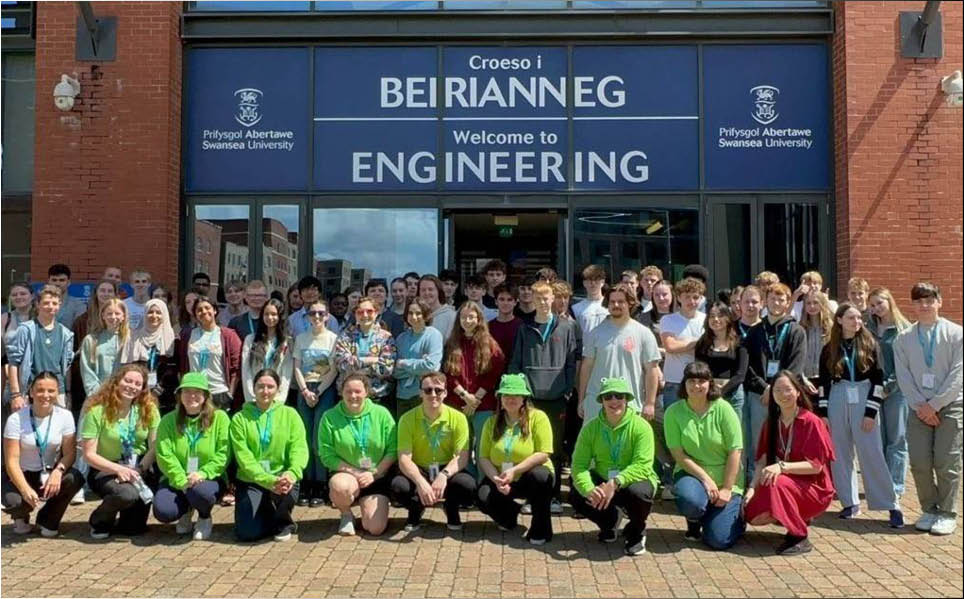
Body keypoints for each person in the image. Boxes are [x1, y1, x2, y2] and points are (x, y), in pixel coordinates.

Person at [818, 303, 902, 527]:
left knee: (871, 452)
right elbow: (823, 383)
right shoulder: (829, 348)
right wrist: (824, 413)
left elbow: (878, 379)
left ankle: (890, 504)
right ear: (839, 320)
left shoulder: (870, 344)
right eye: (851, 318)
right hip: (838, 396)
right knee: (841, 454)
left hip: (864, 395)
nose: (856, 323)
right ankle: (849, 502)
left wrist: (870, 412)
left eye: (858, 319)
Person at [894, 282, 963, 536]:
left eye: (929, 300)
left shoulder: (957, 334)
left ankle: (947, 513)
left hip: (951, 406)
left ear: (939, 302)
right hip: (918, 408)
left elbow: (958, 376)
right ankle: (929, 509)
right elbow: (904, 377)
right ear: (912, 305)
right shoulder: (904, 339)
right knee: (920, 462)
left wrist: (935, 405)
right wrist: (922, 407)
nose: (924, 305)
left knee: (947, 462)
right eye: (918, 301)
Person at [744, 370, 835, 555]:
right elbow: (761, 461)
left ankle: (799, 535)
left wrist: (782, 467)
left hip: (814, 488)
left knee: (777, 481)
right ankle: (792, 515)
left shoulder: (811, 422)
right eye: (777, 390)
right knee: (752, 514)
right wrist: (752, 487)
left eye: (788, 389)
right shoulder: (771, 423)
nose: (783, 395)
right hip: (787, 484)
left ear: (798, 392)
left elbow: (815, 466)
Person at [508, 280, 578, 512]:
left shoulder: (567, 327)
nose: (543, 303)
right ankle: (532, 497)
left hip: (557, 399)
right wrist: (520, 392)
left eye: (547, 298)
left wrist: (568, 389)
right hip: (531, 398)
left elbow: (571, 362)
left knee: (554, 449)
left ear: (554, 299)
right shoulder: (523, 328)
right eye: (538, 299)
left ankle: (555, 496)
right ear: (532, 301)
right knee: (529, 448)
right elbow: (516, 362)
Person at [570, 377, 657, 556]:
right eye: (608, 396)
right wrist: (589, 490)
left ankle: (637, 532)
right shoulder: (590, 428)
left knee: (640, 492)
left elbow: (643, 465)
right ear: (601, 400)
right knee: (576, 492)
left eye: (619, 396)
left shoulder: (641, 426)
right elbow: (578, 466)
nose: (614, 401)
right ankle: (609, 522)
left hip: (632, 480)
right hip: (603, 480)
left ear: (627, 399)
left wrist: (616, 482)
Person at [664, 361, 745, 550]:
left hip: (726, 477)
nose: (696, 386)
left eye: (702, 381)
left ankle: (736, 516)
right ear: (684, 383)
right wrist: (706, 479)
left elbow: (736, 450)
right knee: (692, 501)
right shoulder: (673, 412)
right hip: (692, 474)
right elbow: (678, 454)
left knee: (718, 540)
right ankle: (695, 518)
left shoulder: (723, 409)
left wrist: (726, 488)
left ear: (710, 383)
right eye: (691, 381)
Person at [81, 364, 161, 538]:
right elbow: (88, 454)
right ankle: (99, 520)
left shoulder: (149, 410)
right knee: (127, 494)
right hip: (106, 469)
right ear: (116, 382)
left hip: (140, 466)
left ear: (142, 389)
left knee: (132, 529)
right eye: (128, 381)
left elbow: (155, 446)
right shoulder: (96, 412)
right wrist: (118, 469)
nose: (132, 386)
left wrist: (140, 469)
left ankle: (126, 519)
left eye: (137, 384)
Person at [229, 368, 308, 542]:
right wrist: (267, 480)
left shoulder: (290, 415)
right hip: (252, 480)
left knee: (286, 488)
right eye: (261, 386)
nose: (265, 391)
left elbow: (299, 449)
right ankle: (267, 514)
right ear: (253, 388)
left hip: (282, 478)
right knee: (247, 534)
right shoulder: (239, 419)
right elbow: (244, 459)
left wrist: (291, 473)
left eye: (270, 387)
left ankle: (283, 522)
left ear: (278, 389)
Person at [391, 371, 476, 532]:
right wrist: (420, 482)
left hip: (446, 467)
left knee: (468, 486)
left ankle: (451, 508)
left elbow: (462, 457)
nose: (433, 394)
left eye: (438, 390)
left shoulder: (458, 418)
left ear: (445, 393)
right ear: (420, 393)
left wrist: (443, 476)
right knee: (398, 486)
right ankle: (416, 509)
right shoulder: (407, 419)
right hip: (419, 467)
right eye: (428, 390)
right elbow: (404, 459)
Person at [476, 374, 555, 544]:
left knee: (540, 476)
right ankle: (509, 515)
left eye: (516, 395)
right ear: (500, 398)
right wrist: (495, 479)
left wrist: (515, 470)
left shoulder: (538, 417)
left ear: (524, 397)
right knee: (483, 497)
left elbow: (544, 452)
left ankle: (540, 528)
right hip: (502, 477)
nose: (511, 399)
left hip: (529, 476)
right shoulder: (491, 422)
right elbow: (483, 457)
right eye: (506, 395)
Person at [2, 372, 83, 536]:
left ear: (57, 392)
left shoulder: (65, 416)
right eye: (40, 390)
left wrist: (58, 471)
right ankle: (21, 516)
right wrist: (25, 489)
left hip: (48, 473)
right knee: (15, 501)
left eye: (51, 391)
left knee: (75, 478)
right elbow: (11, 461)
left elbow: (70, 453)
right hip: (21, 473)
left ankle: (48, 519)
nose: (45, 395)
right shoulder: (16, 419)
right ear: (31, 392)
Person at [153, 373, 230, 540]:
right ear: (179, 395)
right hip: (176, 479)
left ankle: (204, 516)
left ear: (205, 396)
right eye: (186, 391)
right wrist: (182, 481)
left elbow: (223, 454)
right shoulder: (168, 421)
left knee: (201, 493)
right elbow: (164, 456)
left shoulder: (220, 418)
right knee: (164, 511)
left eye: (197, 392)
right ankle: (186, 510)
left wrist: (202, 473)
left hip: (209, 478)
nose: (191, 396)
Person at [319, 373, 397, 537]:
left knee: (375, 528)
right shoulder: (329, 417)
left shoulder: (381, 414)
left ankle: (366, 505)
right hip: (347, 475)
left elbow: (393, 449)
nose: (353, 396)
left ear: (366, 392)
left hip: (376, 475)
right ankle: (346, 514)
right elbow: (326, 454)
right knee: (340, 487)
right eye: (348, 391)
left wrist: (374, 473)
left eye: (358, 391)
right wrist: (355, 472)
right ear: (341, 393)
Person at [743, 283, 806, 482]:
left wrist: (776, 389)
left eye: (781, 299)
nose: (776, 303)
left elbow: (795, 366)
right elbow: (748, 366)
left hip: (786, 397)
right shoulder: (754, 332)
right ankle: (755, 488)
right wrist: (765, 388)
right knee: (756, 444)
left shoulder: (796, 331)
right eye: (772, 298)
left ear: (788, 303)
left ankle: (781, 486)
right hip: (758, 396)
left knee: (783, 442)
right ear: (766, 301)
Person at [578, 286, 661, 425]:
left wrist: (650, 403)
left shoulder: (643, 333)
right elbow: (586, 368)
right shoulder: (595, 333)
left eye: (621, 301)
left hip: (630, 403)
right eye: (612, 302)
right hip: (597, 404)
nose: (616, 305)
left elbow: (652, 370)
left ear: (630, 303)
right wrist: (582, 400)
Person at [442, 301, 505, 476]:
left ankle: (482, 483)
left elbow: (495, 372)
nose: (467, 320)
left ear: (478, 319)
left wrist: (475, 399)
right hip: (457, 403)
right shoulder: (451, 343)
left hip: (484, 404)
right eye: (463, 317)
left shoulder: (490, 344)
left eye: (471, 317)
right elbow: (448, 374)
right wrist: (465, 396)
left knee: (482, 448)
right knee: (461, 446)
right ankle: (466, 482)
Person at [292, 299, 339, 506]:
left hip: (324, 390)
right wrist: (304, 391)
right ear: (307, 317)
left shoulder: (333, 339)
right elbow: (296, 367)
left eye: (321, 313)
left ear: (327, 316)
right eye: (313, 313)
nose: (317, 317)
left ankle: (321, 483)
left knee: (319, 439)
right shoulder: (301, 339)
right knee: (304, 436)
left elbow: (334, 369)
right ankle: (306, 482)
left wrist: (318, 391)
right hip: (305, 390)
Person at [867, 287, 912, 499]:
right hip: (874, 390)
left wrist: (888, 387)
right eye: (873, 305)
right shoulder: (868, 327)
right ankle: (882, 483)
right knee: (879, 439)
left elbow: (906, 365)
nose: (876, 308)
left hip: (897, 392)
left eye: (879, 303)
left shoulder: (904, 329)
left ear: (889, 301)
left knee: (897, 439)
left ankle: (895, 486)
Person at [6, 285, 74, 411]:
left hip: (57, 392)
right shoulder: (25, 330)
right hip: (29, 391)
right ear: (37, 304)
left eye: (54, 303)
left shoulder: (66, 334)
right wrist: (16, 395)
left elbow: (67, 366)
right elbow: (13, 363)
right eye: (46, 303)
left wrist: (68, 393)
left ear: (59, 305)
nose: (51, 307)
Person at [178, 297, 242, 412]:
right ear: (195, 315)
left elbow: (236, 367)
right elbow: (182, 365)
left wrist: (230, 393)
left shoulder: (228, 335)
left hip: (219, 392)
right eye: (199, 310)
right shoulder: (187, 335)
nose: (204, 312)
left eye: (207, 308)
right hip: (195, 391)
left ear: (215, 311)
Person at [333, 296, 397, 406]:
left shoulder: (386, 338)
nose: (365, 315)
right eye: (360, 312)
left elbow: (386, 369)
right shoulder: (345, 336)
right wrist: (370, 360)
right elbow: (341, 365)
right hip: (349, 396)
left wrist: (355, 365)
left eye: (369, 311)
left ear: (376, 313)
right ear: (355, 314)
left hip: (378, 397)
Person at [121, 298, 178, 412]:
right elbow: (127, 367)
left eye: (158, 312)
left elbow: (173, 369)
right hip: (137, 392)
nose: (154, 315)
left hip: (164, 396)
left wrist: (159, 389)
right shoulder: (133, 337)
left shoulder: (171, 338)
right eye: (150, 312)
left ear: (164, 315)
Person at [660, 278, 708, 410]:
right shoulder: (668, 320)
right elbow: (670, 347)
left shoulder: (706, 319)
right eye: (687, 297)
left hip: (700, 382)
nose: (691, 301)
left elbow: (708, 347)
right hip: (675, 383)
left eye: (696, 297)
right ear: (679, 298)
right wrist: (698, 342)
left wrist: (683, 344)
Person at [695, 301, 748, 418]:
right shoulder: (702, 343)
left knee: (734, 433)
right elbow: (699, 370)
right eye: (712, 316)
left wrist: (722, 391)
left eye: (720, 316)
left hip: (734, 395)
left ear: (728, 319)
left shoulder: (739, 343)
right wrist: (712, 389)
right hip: (709, 394)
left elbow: (740, 374)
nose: (716, 319)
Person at [393, 299, 444, 419]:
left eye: (418, 313)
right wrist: (420, 365)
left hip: (424, 395)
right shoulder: (401, 338)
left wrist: (404, 363)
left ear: (425, 315)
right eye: (410, 313)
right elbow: (394, 371)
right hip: (402, 396)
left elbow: (432, 367)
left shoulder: (433, 335)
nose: (414, 317)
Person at [241, 298, 293, 404]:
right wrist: (251, 396)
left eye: (274, 314)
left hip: (276, 396)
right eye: (266, 314)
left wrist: (279, 399)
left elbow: (287, 373)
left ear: (280, 316)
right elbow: (246, 370)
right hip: (255, 395)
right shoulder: (250, 339)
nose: (270, 317)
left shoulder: (286, 342)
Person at [80, 298, 129, 397]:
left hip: (124, 395)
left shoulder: (130, 340)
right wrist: (97, 393)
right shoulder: (91, 340)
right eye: (109, 313)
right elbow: (87, 370)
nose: (113, 317)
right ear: (103, 315)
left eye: (117, 313)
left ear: (123, 316)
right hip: (97, 395)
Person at [3, 283, 34, 404]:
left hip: (36, 375)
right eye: (14, 294)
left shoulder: (41, 317)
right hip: (11, 378)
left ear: (32, 296)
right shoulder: (5, 319)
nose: (18, 297)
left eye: (23, 293)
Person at [799, 290, 834, 383]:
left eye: (815, 302)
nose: (812, 306)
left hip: (827, 378)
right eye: (808, 303)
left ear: (822, 304)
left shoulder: (831, 328)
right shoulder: (800, 328)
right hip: (805, 379)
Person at [635, 279, 673, 351]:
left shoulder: (682, 315)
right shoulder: (643, 318)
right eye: (657, 295)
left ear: (672, 294)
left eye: (664, 294)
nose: (661, 298)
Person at [488, 283, 523, 359]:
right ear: (496, 301)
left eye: (509, 300)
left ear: (515, 302)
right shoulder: (488, 327)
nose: (505, 303)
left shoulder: (522, 327)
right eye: (501, 299)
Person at [572, 265, 609, 336]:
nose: (593, 283)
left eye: (596, 280)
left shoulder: (611, 305)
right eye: (589, 280)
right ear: (584, 283)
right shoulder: (576, 308)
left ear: (603, 282)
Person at [46, 264, 86, 330]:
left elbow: (79, 330)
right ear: (48, 281)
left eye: (62, 280)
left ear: (69, 282)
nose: (57, 284)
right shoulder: (40, 304)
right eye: (54, 280)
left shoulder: (78, 305)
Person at [420, 275, 457, 341]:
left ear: (438, 291)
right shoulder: (416, 315)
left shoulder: (451, 316)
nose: (427, 293)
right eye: (423, 290)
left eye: (430, 289)